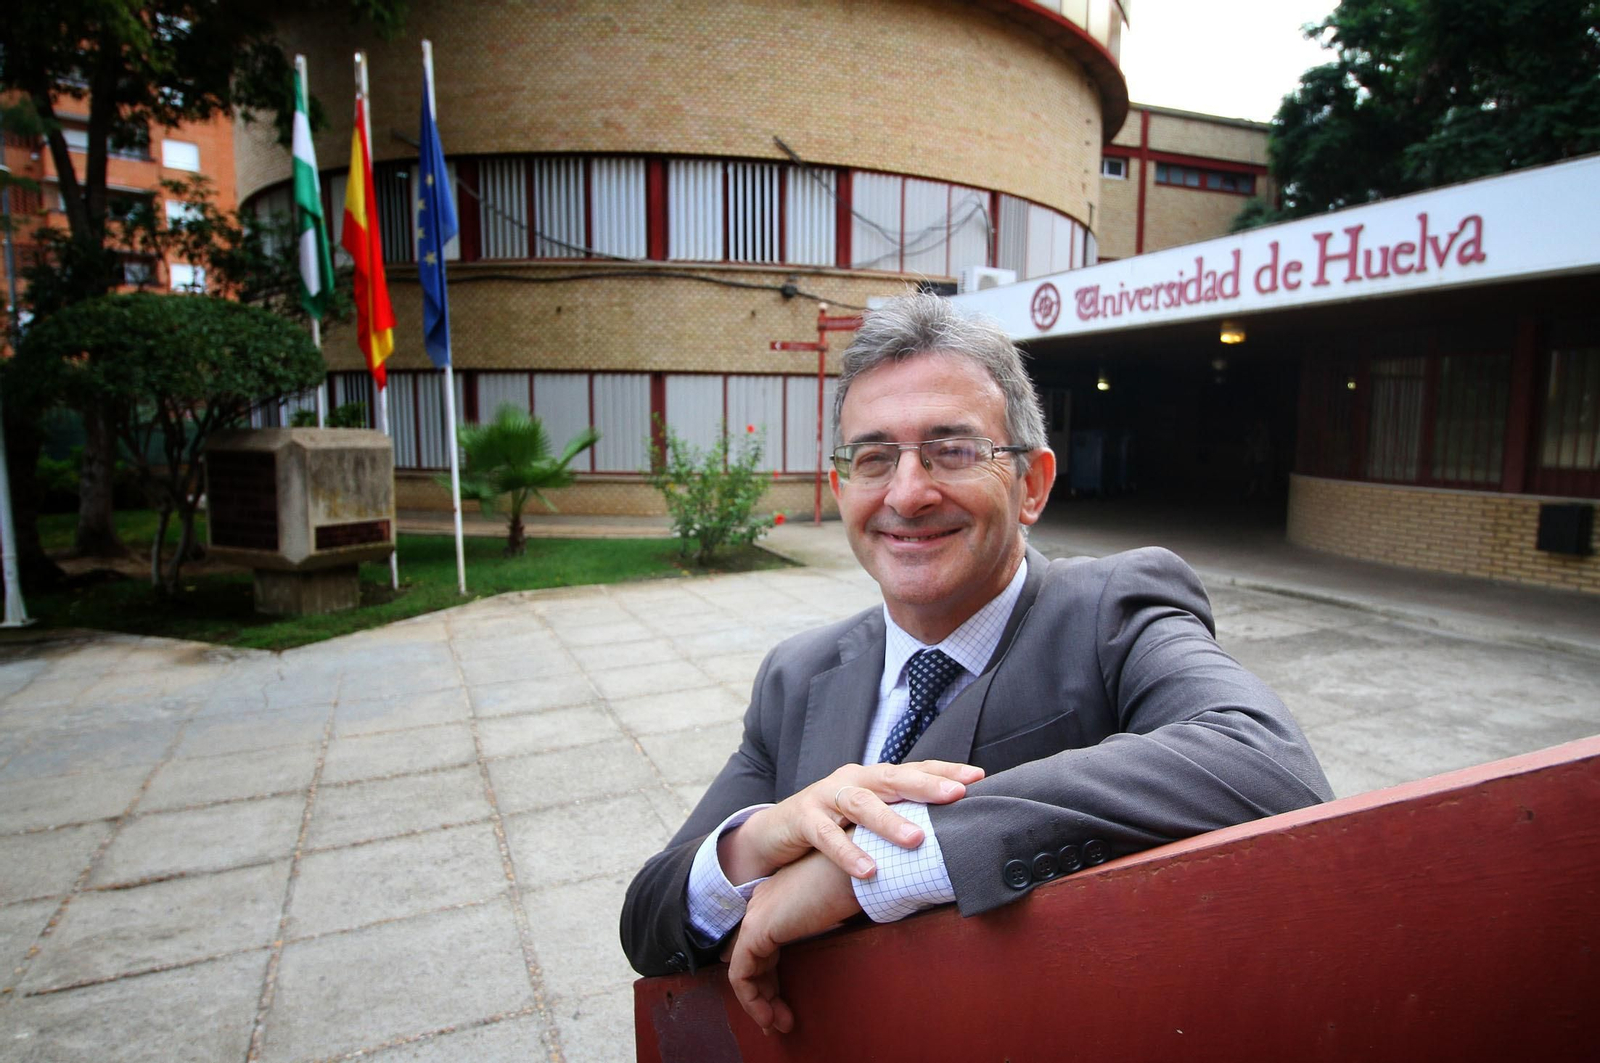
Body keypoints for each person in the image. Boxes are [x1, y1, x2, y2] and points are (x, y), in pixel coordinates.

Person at [620, 293, 1331, 1033]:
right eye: (873, 459)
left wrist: (866, 868)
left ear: (1032, 484)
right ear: (840, 490)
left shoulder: (1112, 613)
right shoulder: (796, 675)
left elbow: (1271, 768)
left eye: (952, 450)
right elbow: (648, 921)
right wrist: (756, 842)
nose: (906, 492)